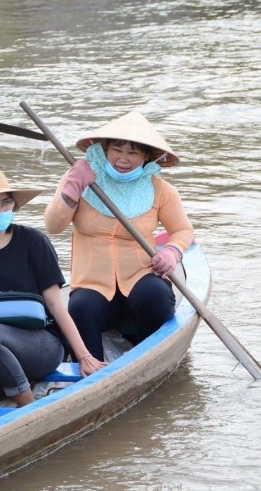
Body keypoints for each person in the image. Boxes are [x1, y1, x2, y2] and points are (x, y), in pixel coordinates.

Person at [43, 111, 195, 360]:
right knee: (81, 308)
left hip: (141, 277)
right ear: (104, 149)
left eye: (133, 152)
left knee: (155, 296)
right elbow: (53, 225)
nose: (123, 159)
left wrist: (171, 251)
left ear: (147, 157)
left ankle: (149, 355)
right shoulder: (82, 177)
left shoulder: (160, 189)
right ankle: (92, 372)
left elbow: (182, 230)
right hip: (93, 285)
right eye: (117, 149)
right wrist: (71, 191)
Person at [0, 169, 107, 407]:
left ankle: (28, 404)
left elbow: (55, 303)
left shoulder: (32, 241)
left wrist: (84, 356)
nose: (0, 210)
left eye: (6, 203)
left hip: (41, 341)